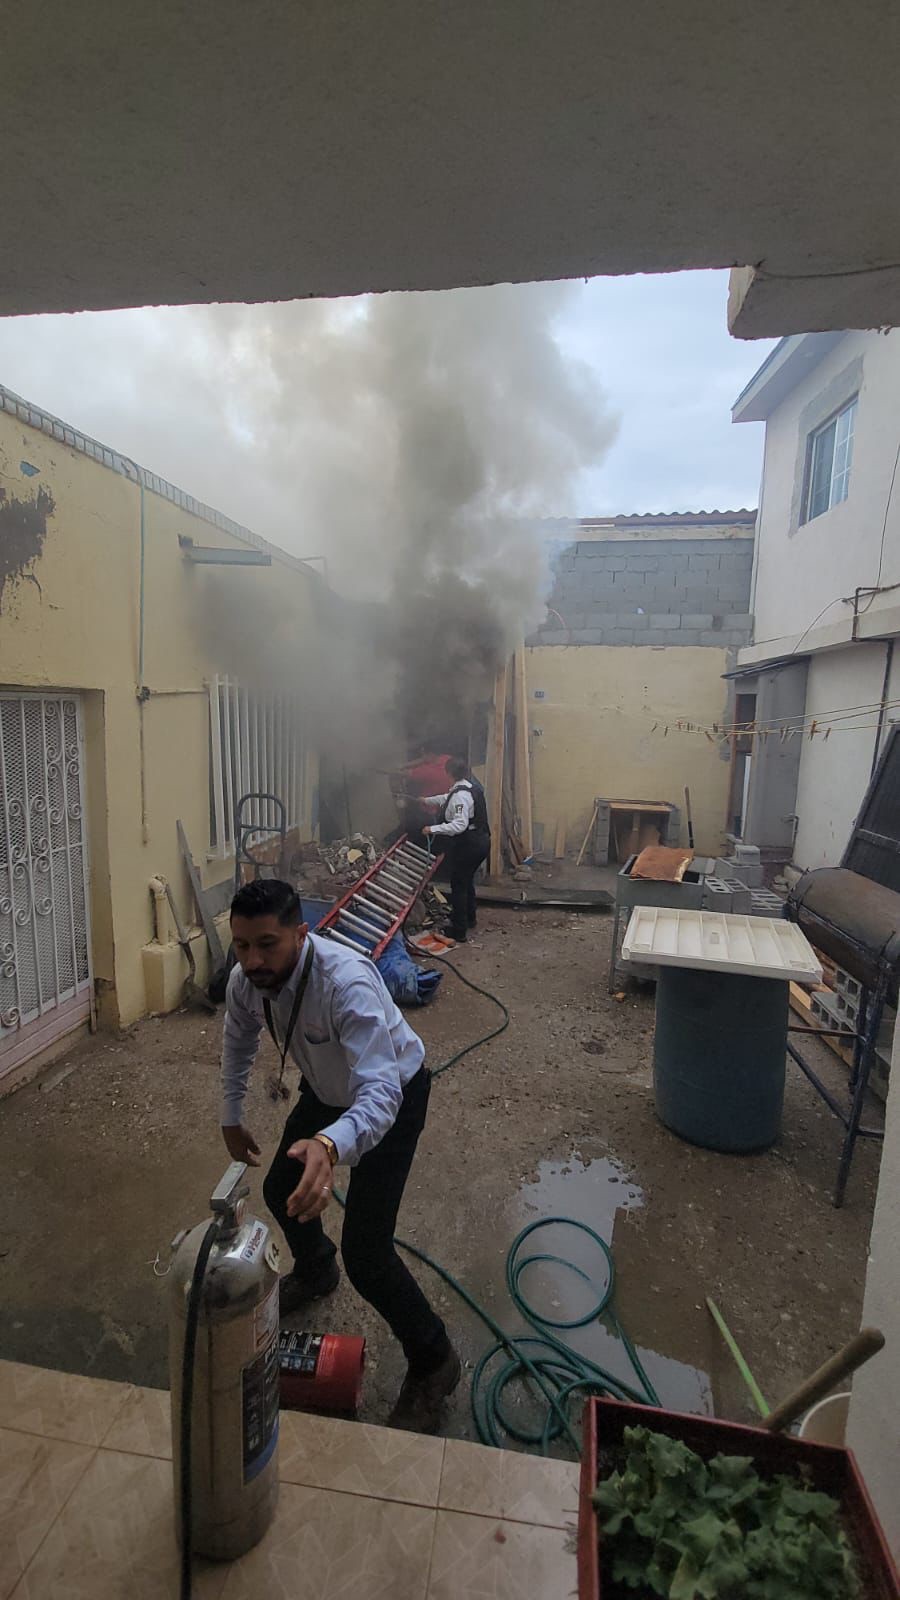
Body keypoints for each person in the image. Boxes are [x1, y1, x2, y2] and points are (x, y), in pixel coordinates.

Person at [220, 878, 461, 1432]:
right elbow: (238, 1041)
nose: (252, 960)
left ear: (301, 935)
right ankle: (315, 1267)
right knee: (279, 1189)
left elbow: (380, 1093)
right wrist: (231, 1116)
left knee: (370, 1255)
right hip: (326, 1091)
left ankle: (435, 1360)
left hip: (392, 1097)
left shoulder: (346, 982)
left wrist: (331, 1143)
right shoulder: (246, 981)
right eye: (241, 945)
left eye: (267, 944)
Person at [424, 757, 491, 943]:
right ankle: (470, 918)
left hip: (470, 844)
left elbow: (459, 825)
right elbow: (447, 799)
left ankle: (459, 930)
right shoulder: (467, 787)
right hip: (480, 840)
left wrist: (433, 829)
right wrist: (426, 800)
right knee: (466, 880)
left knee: (458, 884)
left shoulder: (461, 795)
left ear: (449, 773)